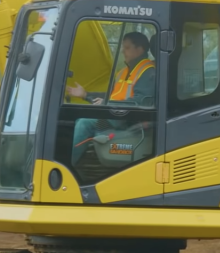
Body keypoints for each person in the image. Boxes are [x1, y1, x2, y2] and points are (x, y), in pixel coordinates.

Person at [66, 31, 156, 166]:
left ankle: (66, 165)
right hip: (113, 114)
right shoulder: (124, 72)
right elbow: (111, 96)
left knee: (85, 123)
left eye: (126, 48)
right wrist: (85, 95)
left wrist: (109, 104)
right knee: (74, 116)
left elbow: (141, 102)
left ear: (140, 49)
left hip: (125, 120)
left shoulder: (148, 72)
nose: (122, 51)